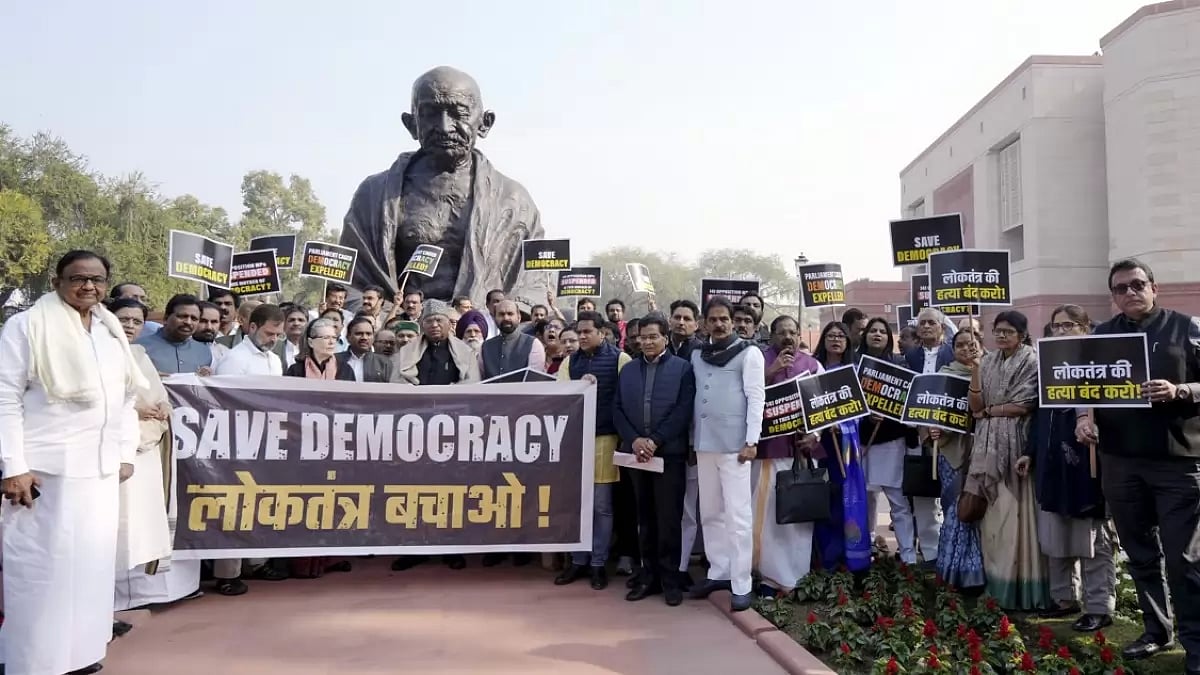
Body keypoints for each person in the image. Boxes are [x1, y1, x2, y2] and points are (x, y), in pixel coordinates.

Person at [0, 250, 144, 675]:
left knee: (90, 569)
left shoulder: (109, 328)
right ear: (56, 281)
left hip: (98, 471)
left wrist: (122, 452)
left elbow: (125, 397)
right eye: (77, 279)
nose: (88, 287)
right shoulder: (27, 325)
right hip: (46, 470)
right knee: (43, 571)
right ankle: (35, 662)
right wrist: (13, 467)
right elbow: (5, 398)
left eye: (97, 279)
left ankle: (78, 655)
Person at [339, 67, 552, 311]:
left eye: (458, 113)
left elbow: (534, 285)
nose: (444, 126)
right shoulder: (373, 196)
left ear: (485, 123)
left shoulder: (513, 201)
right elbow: (349, 285)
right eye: (430, 114)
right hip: (398, 330)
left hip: (482, 331)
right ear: (411, 124)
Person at [1077, 259, 1200, 670]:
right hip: (1120, 461)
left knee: (1185, 560)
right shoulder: (1100, 335)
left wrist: (1180, 389)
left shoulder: (1188, 327)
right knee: (1139, 553)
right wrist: (1083, 418)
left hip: (1177, 462)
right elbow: (1082, 385)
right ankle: (1155, 631)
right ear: (1112, 296)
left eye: (1137, 284)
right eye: (1121, 288)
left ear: (1154, 286)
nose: (1130, 293)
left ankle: (1196, 644)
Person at [1017, 304, 1115, 631]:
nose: (1062, 331)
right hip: (1051, 464)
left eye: (1069, 325)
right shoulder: (1048, 367)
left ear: (1086, 328)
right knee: (1054, 535)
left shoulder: (1102, 365)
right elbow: (1037, 416)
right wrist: (1030, 452)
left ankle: (1099, 607)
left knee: (1092, 541)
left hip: (1089, 466)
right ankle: (1063, 599)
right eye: (1056, 326)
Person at [966, 310, 1049, 611]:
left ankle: (1023, 589)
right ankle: (996, 584)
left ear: (1022, 334)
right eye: (997, 330)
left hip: (1018, 447)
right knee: (992, 521)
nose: (1001, 335)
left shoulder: (1032, 360)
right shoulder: (986, 361)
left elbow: (1024, 404)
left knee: (1018, 518)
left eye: (1008, 331)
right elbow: (975, 406)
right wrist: (975, 371)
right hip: (985, 447)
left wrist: (990, 411)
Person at [688, 297, 764, 612]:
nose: (719, 324)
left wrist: (752, 440)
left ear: (732, 322)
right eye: (713, 319)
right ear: (705, 323)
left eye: (724, 319)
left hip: (736, 447)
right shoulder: (697, 355)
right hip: (705, 445)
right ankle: (719, 571)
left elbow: (756, 397)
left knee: (738, 516)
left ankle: (741, 581)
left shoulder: (749, 353)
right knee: (710, 513)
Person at [612, 315, 695, 606]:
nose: (646, 342)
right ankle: (648, 576)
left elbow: (683, 411)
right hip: (636, 456)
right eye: (642, 337)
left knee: (669, 519)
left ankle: (670, 579)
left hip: (667, 455)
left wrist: (655, 440)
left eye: (652, 337)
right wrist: (635, 440)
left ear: (665, 339)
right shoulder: (629, 370)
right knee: (644, 518)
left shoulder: (683, 369)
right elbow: (618, 409)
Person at [211, 304, 287, 593]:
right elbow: (223, 403)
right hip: (236, 441)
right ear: (251, 327)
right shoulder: (234, 359)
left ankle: (256, 562)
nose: (274, 339)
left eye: (278, 335)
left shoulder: (274, 360)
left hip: (266, 440)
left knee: (260, 502)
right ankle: (227, 573)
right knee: (233, 505)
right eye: (269, 333)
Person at [555, 311, 632, 590]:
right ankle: (578, 560)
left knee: (601, 506)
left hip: (606, 440)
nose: (583, 337)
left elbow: (628, 399)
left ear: (602, 332)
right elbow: (559, 398)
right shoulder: (569, 361)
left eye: (588, 332)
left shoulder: (620, 359)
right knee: (578, 505)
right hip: (577, 441)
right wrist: (579, 387)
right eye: (580, 332)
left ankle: (598, 563)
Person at [109, 299, 173, 618]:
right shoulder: (100, 352)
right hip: (117, 452)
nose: (131, 325)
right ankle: (109, 605)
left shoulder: (139, 354)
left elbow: (158, 394)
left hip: (145, 449)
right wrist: (134, 410)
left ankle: (129, 600)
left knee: (139, 526)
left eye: (137, 320)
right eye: (124, 318)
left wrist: (161, 408)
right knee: (114, 527)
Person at [755, 315, 821, 594]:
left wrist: (814, 435)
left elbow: (822, 406)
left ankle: (798, 578)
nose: (788, 338)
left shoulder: (812, 364)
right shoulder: (757, 359)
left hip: (802, 454)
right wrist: (771, 372)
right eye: (782, 333)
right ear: (772, 336)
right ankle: (770, 579)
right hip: (769, 452)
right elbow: (745, 395)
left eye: (793, 332)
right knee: (770, 518)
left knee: (800, 517)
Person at [857, 318, 931, 565]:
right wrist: (866, 414)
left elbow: (910, 402)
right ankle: (864, 549)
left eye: (882, 331)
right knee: (864, 499)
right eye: (873, 331)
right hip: (861, 442)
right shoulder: (853, 363)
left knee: (898, 501)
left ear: (889, 337)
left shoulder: (901, 364)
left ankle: (908, 554)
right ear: (865, 335)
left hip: (893, 441)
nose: (877, 334)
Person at [928, 330, 986, 590]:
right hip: (951, 452)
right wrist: (932, 430)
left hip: (983, 450)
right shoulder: (942, 375)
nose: (965, 349)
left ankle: (979, 570)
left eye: (971, 344)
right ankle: (953, 570)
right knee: (956, 509)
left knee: (978, 508)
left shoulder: (990, 372)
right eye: (960, 345)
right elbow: (928, 410)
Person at [810, 321, 859, 569]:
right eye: (831, 335)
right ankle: (822, 557)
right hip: (818, 443)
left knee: (841, 498)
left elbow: (861, 409)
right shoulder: (812, 368)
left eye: (841, 335)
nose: (836, 339)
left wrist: (846, 424)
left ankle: (841, 555)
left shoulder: (855, 371)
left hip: (844, 444)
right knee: (819, 497)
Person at [668, 298, 705, 580]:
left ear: (696, 324)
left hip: (691, 446)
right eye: (677, 317)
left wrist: (693, 442)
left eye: (686, 318)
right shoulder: (658, 347)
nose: (681, 322)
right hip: (659, 445)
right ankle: (657, 565)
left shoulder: (701, 354)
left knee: (687, 510)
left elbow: (700, 404)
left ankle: (680, 568)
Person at [479, 300, 545, 380]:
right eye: (501, 314)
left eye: (510, 314)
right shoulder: (485, 347)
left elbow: (533, 382)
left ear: (519, 317)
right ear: (495, 318)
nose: (506, 318)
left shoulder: (533, 344)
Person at [337, 317, 393, 382]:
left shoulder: (384, 362)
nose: (364, 337)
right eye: (359, 334)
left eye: (368, 334)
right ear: (348, 337)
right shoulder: (335, 360)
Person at [905, 307, 955, 374]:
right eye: (922, 323)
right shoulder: (910, 355)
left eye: (931, 323)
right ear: (917, 330)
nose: (926, 326)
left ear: (943, 328)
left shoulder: (953, 353)